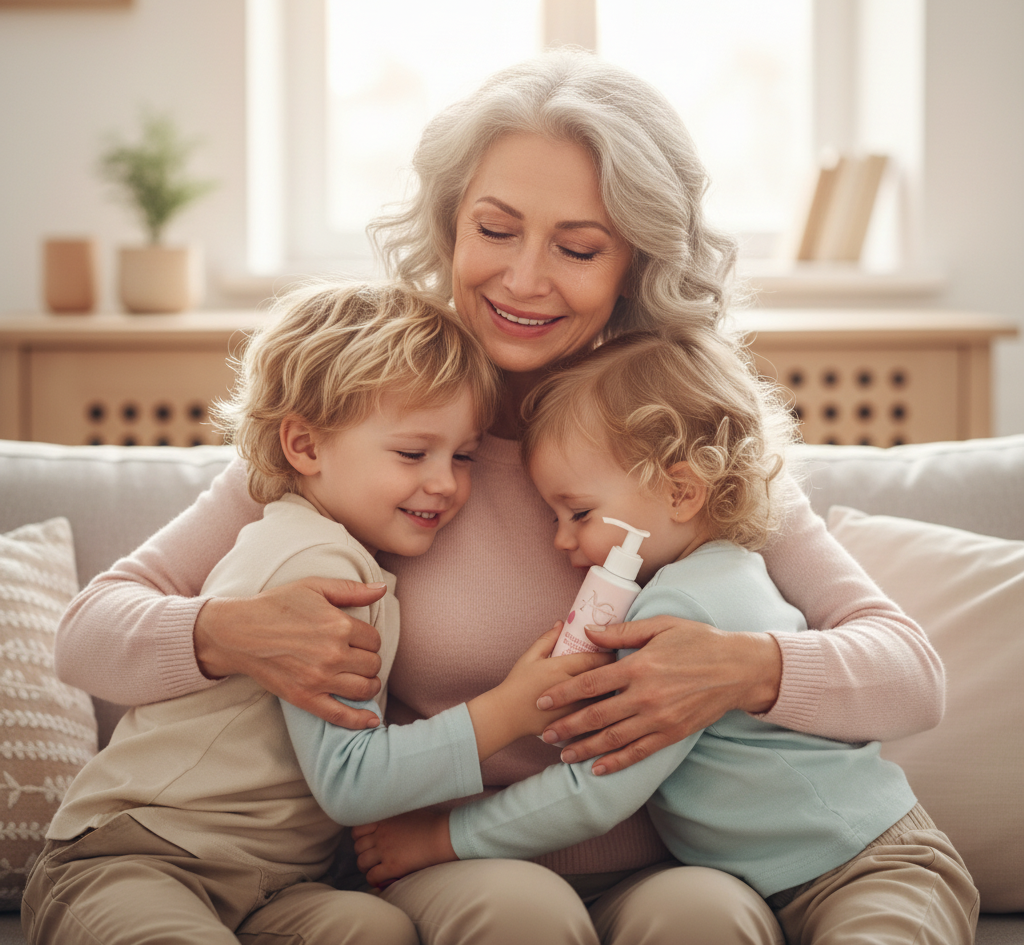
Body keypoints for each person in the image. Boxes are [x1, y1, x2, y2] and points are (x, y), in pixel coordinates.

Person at [52, 49, 946, 945]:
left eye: (578, 246)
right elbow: (93, 630)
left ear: (636, 262)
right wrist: (226, 633)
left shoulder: (673, 451)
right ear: (448, 228)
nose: (523, 278)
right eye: (496, 229)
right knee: (520, 915)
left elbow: (909, 673)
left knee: (703, 916)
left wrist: (750, 669)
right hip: (451, 870)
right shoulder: (370, 431)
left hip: (663, 868)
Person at [350, 330, 979, 945]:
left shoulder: (679, 608)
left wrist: (441, 837)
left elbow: (600, 785)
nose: (562, 541)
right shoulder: (702, 570)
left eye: (579, 515)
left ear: (681, 491)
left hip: (871, 861)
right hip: (788, 880)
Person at [24, 282, 598, 945]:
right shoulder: (315, 561)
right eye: (414, 453)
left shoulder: (356, 550)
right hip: (142, 853)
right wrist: (509, 711)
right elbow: (351, 781)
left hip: (275, 882)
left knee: (372, 928)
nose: (445, 482)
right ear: (303, 447)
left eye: (462, 456)